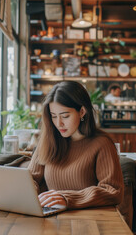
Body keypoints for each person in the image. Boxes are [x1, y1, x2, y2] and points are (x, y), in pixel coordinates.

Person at [28, 81, 124, 209]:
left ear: (82, 111)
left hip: (91, 220)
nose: (59, 123)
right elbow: (31, 179)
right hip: (52, 217)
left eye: (65, 116)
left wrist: (68, 198)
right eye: (54, 116)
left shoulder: (102, 144)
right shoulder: (48, 140)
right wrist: (28, 192)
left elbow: (113, 191)